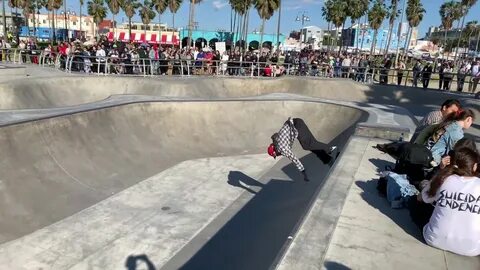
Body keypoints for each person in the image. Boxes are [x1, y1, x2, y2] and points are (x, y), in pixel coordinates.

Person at [417, 147, 480, 256]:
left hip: (434, 240)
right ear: (474, 166)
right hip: (471, 249)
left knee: (418, 205)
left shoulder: (443, 178)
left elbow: (421, 198)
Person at [267, 118, 337, 182]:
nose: (279, 155)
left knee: (308, 145)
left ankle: (330, 149)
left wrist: (304, 173)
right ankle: (328, 159)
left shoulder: (281, 148)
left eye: (276, 155)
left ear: (274, 151)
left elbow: (294, 160)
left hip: (297, 126)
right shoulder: (276, 141)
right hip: (297, 123)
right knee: (311, 146)